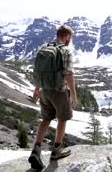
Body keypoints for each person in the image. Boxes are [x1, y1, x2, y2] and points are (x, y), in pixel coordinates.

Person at [28, 25, 78, 171]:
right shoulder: (65, 50)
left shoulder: (44, 47)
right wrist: (73, 95)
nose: (70, 40)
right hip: (59, 91)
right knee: (62, 119)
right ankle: (56, 151)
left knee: (45, 119)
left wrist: (37, 88)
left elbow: (38, 70)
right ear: (67, 36)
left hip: (44, 90)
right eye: (71, 38)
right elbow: (68, 74)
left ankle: (36, 150)